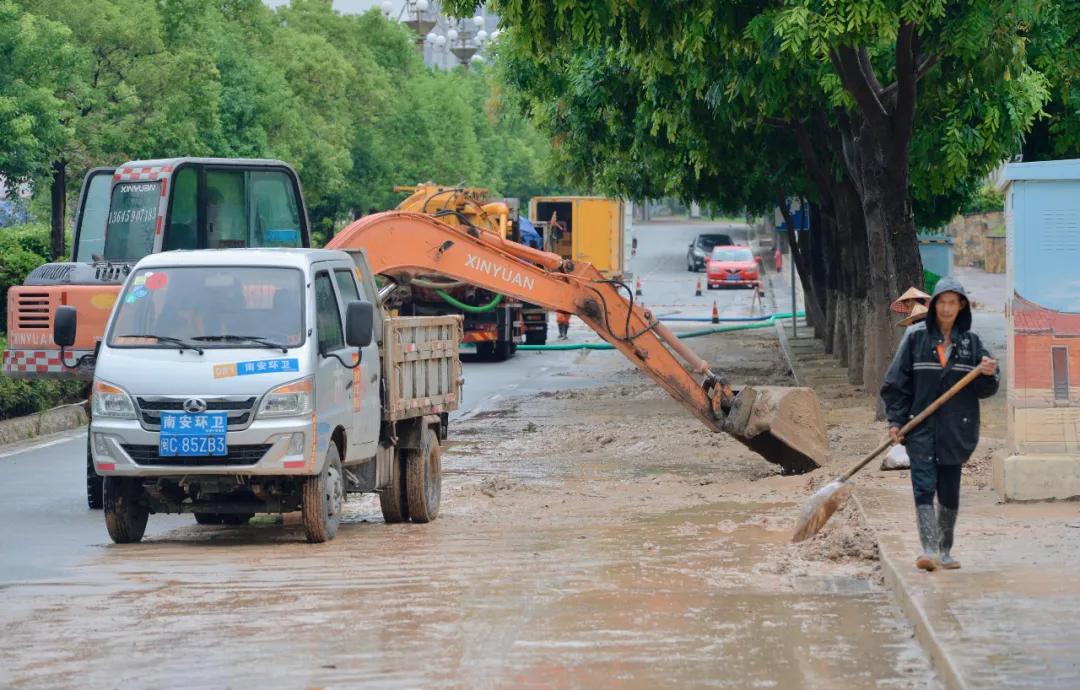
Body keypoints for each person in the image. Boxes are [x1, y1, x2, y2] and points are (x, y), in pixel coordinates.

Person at [880, 277, 999, 572]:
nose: (946, 308)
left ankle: (945, 551)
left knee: (949, 490)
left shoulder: (971, 344)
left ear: (961, 307)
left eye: (952, 303)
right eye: (942, 302)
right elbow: (896, 384)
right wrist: (895, 421)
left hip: (957, 429)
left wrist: (987, 373)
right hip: (920, 427)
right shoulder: (916, 339)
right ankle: (928, 549)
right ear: (934, 306)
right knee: (923, 486)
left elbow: (986, 390)